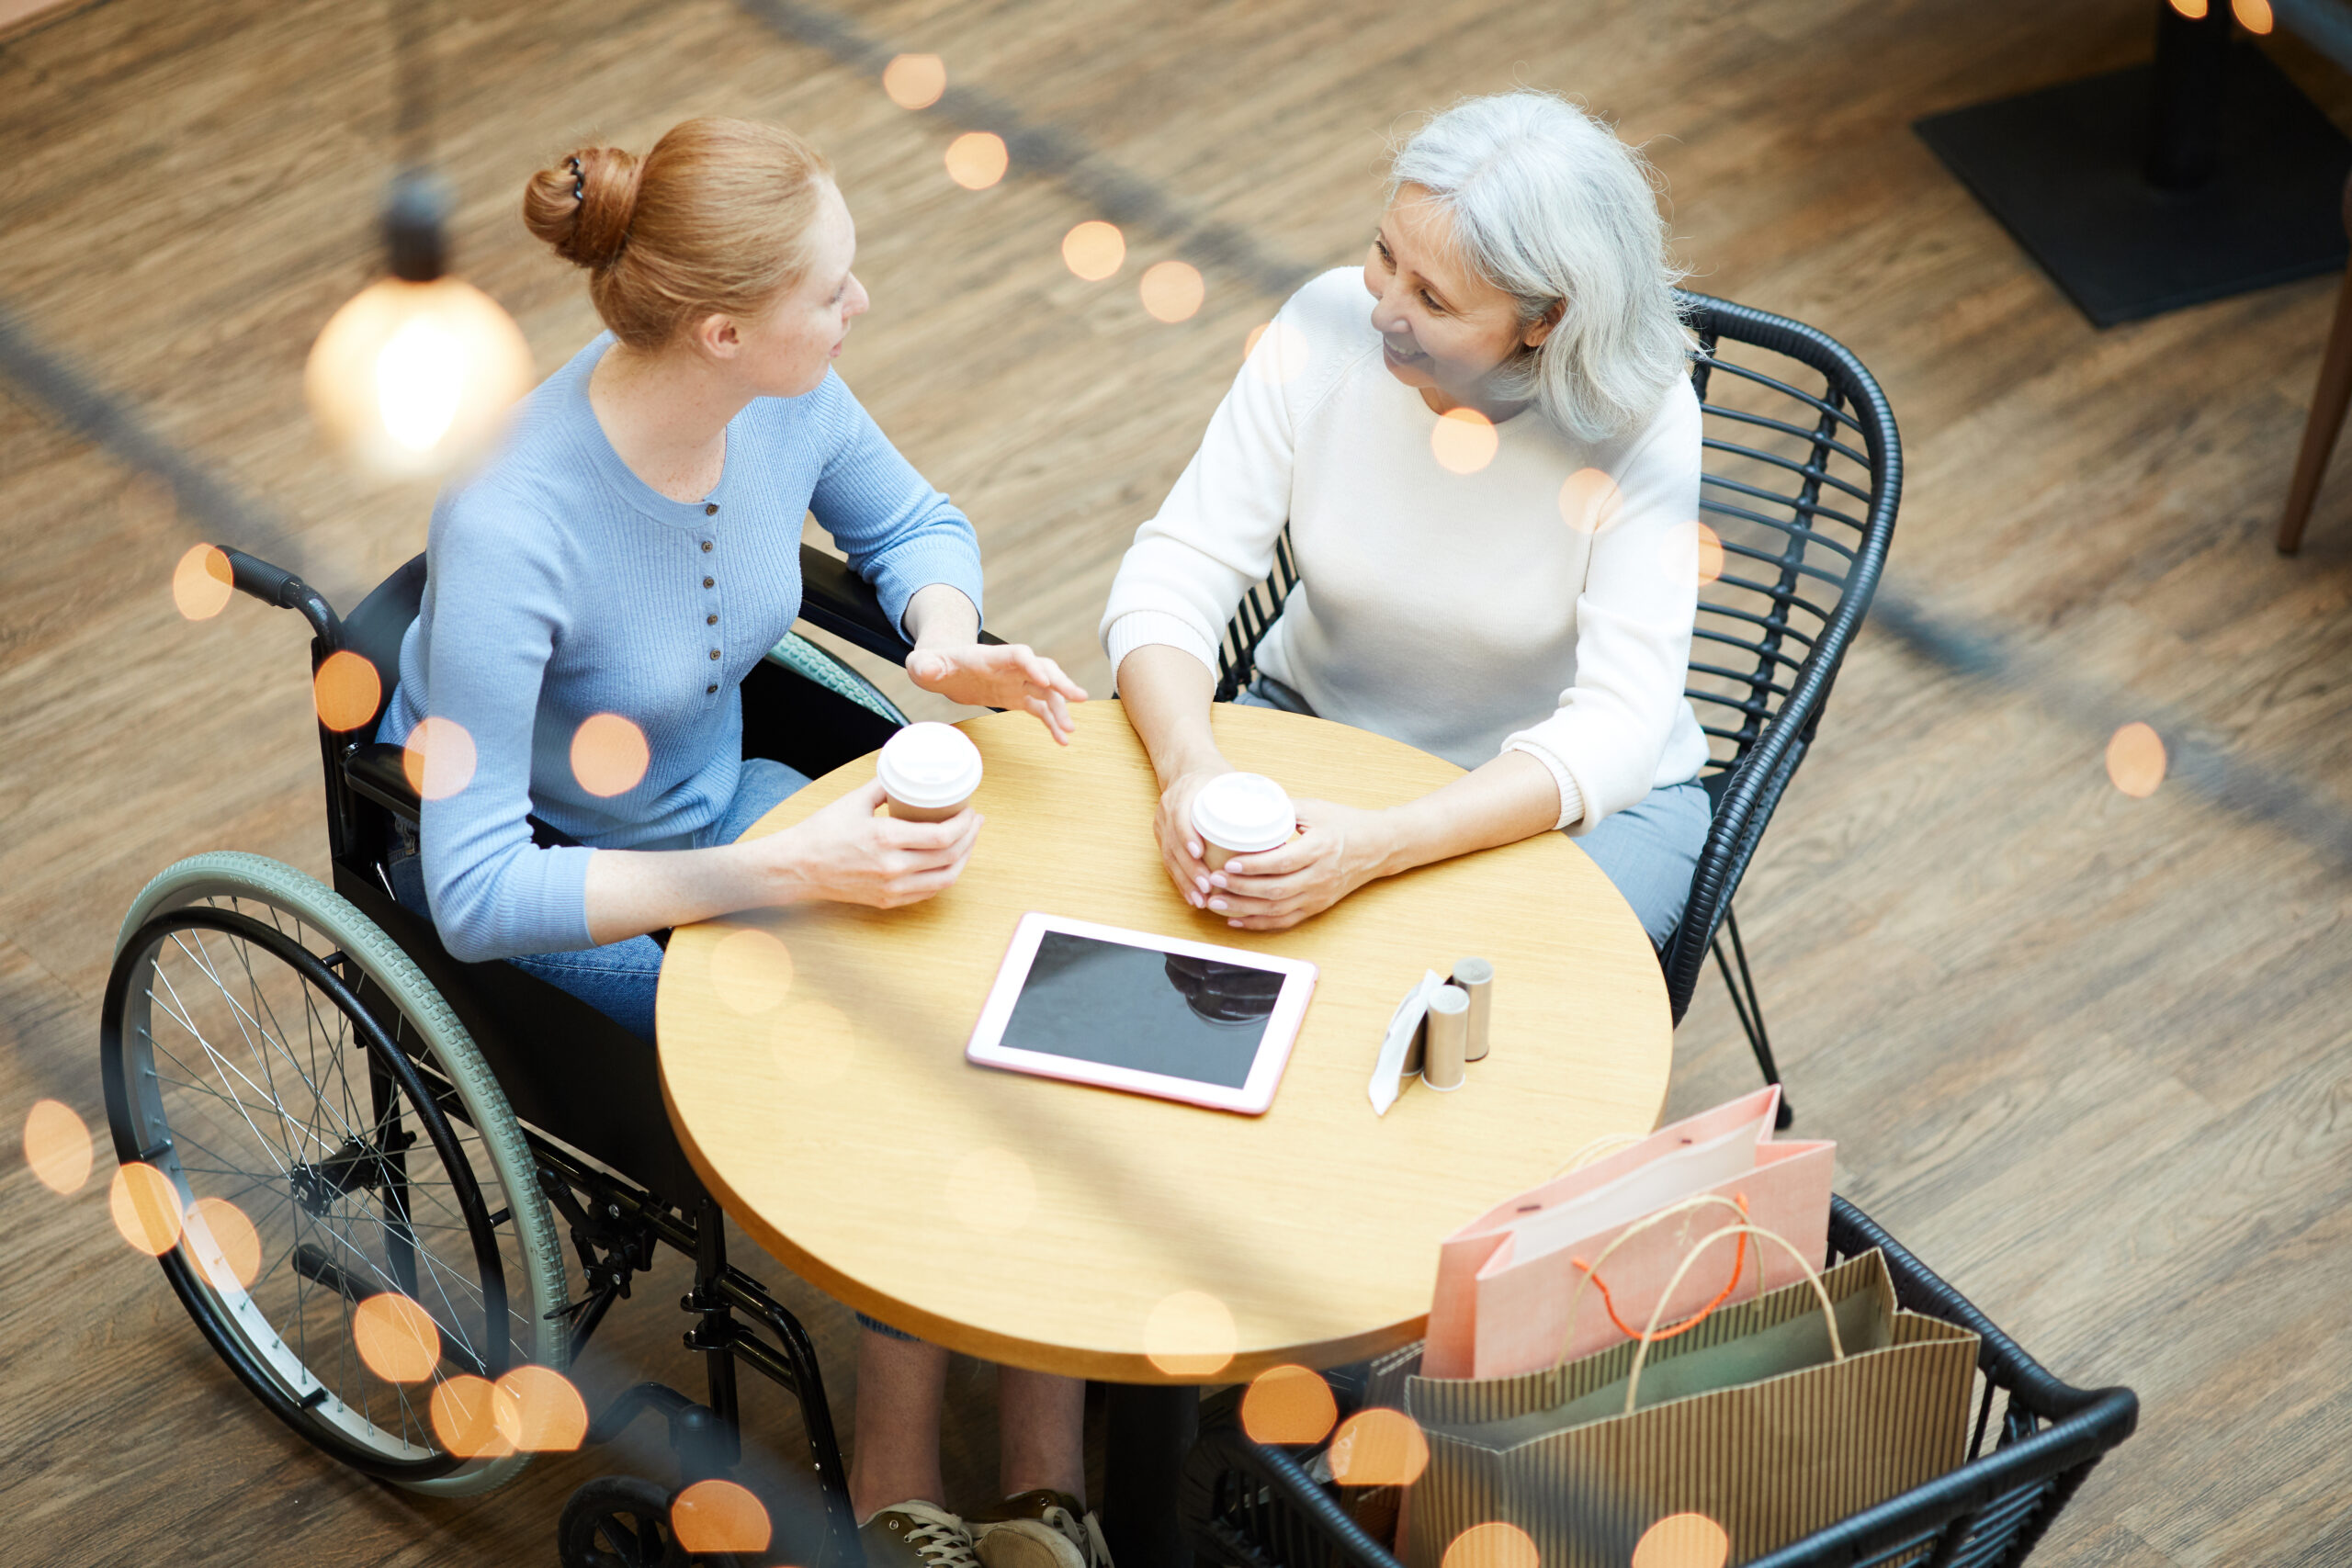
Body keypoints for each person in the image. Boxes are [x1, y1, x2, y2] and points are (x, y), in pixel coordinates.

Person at [376, 118, 1105, 1568]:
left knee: (1016, 1014)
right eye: (832, 290)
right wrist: (783, 872)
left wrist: (945, 639)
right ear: (721, 328)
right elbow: (471, 891)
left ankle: (1046, 1487)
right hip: (581, 890)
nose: (860, 308)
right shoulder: (517, 524)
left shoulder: (783, 398)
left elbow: (914, 520)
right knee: (913, 1078)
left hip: (750, 809)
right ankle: (898, 1480)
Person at [1102, 91, 1710, 948]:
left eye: (1434, 299)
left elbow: (1616, 729)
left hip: (1571, 800)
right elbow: (1176, 571)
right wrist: (1188, 769)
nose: (1384, 309)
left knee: (1488, 1013)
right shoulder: (1325, 326)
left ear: (1546, 320)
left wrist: (1381, 845)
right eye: (1385, 255)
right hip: (1314, 723)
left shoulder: (1643, 420)